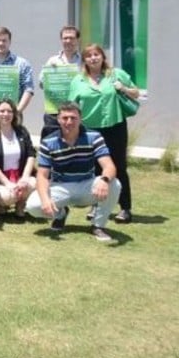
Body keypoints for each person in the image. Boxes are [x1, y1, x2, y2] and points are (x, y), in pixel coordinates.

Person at [25, 102, 121, 242]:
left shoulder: (94, 137)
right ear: (58, 119)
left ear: (80, 118)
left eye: (73, 118)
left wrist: (104, 180)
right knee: (33, 206)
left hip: (86, 186)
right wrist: (45, 200)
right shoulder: (48, 142)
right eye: (64, 118)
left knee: (115, 184)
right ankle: (60, 214)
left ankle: (98, 225)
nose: (69, 122)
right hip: (61, 186)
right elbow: (42, 176)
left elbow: (109, 166)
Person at [69, 44, 140, 223]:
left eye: (96, 54)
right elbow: (73, 106)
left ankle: (125, 208)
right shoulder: (78, 80)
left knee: (119, 167)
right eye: (89, 56)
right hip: (90, 130)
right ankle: (97, 205)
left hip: (115, 127)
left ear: (102, 57)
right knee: (96, 168)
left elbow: (136, 93)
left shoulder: (116, 74)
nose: (93, 58)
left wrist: (122, 88)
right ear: (84, 60)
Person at [0, 99, 36, 218]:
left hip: (20, 176)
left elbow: (31, 154)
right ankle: (0, 204)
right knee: (7, 197)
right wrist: (7, 183)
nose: (6, 114)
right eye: (2, 111)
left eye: (9, 111)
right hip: (1, 180)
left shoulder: (22, 131)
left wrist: (25, 177)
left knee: (33, 183)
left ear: (14, 114)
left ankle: (20, 205)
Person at [38, 26, 82, 139]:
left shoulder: (83, 61)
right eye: (65, 38)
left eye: (71, 38)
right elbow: (41, 84)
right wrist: (50, 73)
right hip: (54, 112)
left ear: (77, 40)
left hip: (76, 111)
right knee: (51, 141)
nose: (68, 41)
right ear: (61, 40)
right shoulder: (52, 60)